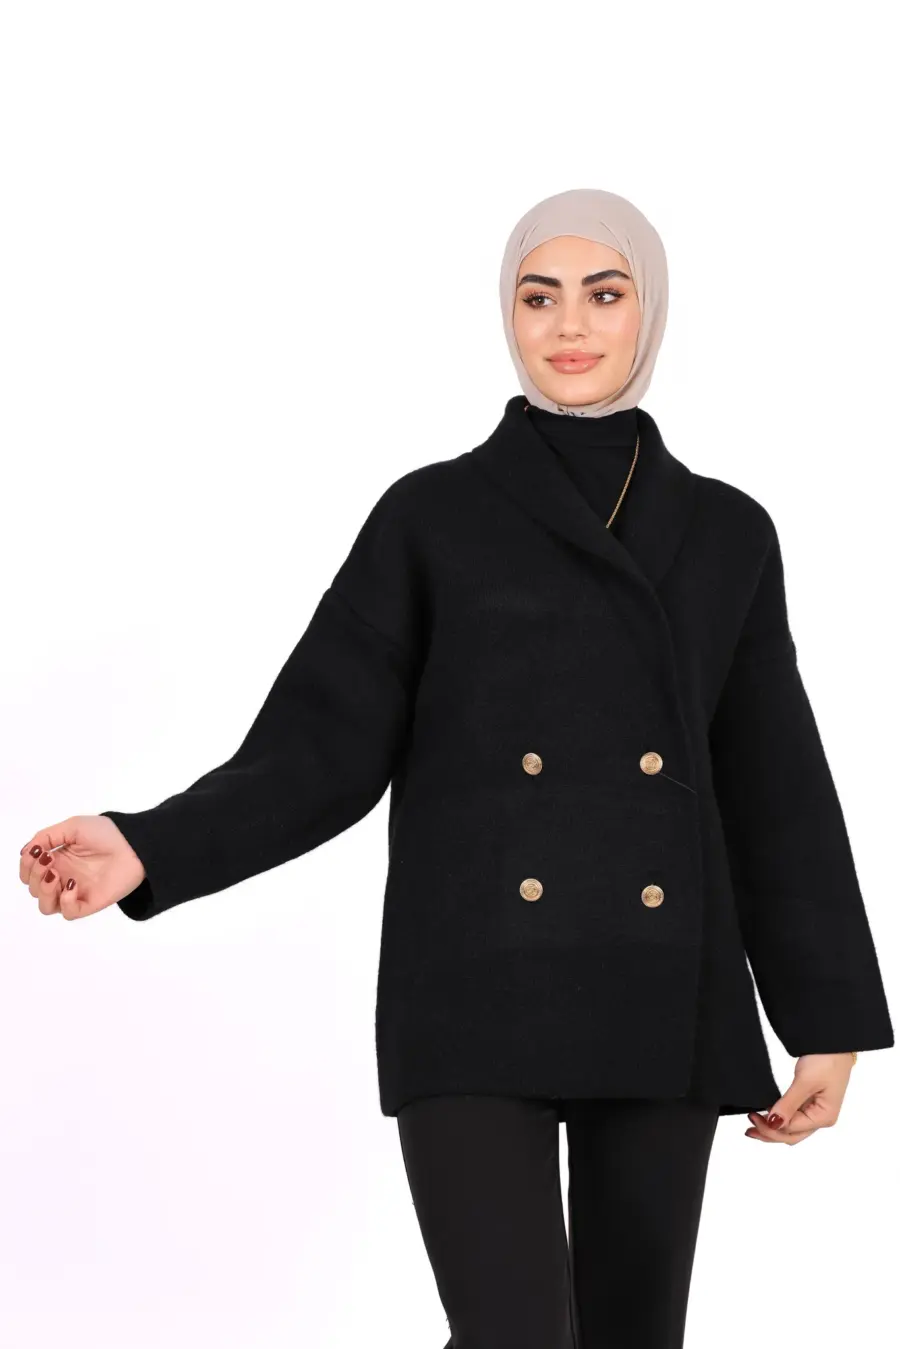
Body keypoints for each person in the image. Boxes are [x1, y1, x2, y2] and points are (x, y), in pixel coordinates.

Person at [19, 187, 894, 1349]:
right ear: (506, 312)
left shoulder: (729, 531)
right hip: (474, 983)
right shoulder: (430, 518)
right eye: (539, 296)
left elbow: (774, 784)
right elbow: (320, 745)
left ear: (651, 308)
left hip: (659, 985)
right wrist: (149, 844)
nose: (569, 324)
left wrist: (826, 1016)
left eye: (604, 293)